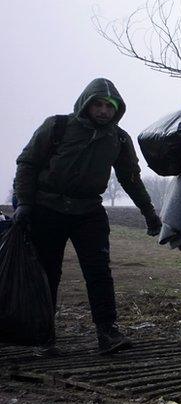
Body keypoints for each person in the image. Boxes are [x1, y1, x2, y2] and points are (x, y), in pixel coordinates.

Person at [13, 78, 162, 355]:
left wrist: (150, 214)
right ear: (86, 104)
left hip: (88, 211)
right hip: (48, 208)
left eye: (110, 106)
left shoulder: (117, 138)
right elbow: (27, 163)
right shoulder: (57, 127)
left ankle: (107, 332)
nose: (104, 110)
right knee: (48, 274)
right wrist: (24, 203)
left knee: (99, 273)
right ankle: (44, 335)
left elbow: (130, 178)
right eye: (99, 104)